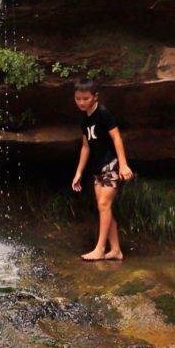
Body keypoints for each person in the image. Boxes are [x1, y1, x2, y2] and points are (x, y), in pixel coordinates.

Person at [71, 82, 133, 261]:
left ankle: (100, 249)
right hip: (97, 167)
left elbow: (116, 138)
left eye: (85, 98)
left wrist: (122, 165)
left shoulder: (104, 114)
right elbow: (85, 146)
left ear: (95, 97)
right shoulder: (84, 119)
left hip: (111, 164)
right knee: (104, 207)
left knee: (104, 205)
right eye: (78, 99)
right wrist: (78, 172)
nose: (81, 102)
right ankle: (115, 250)